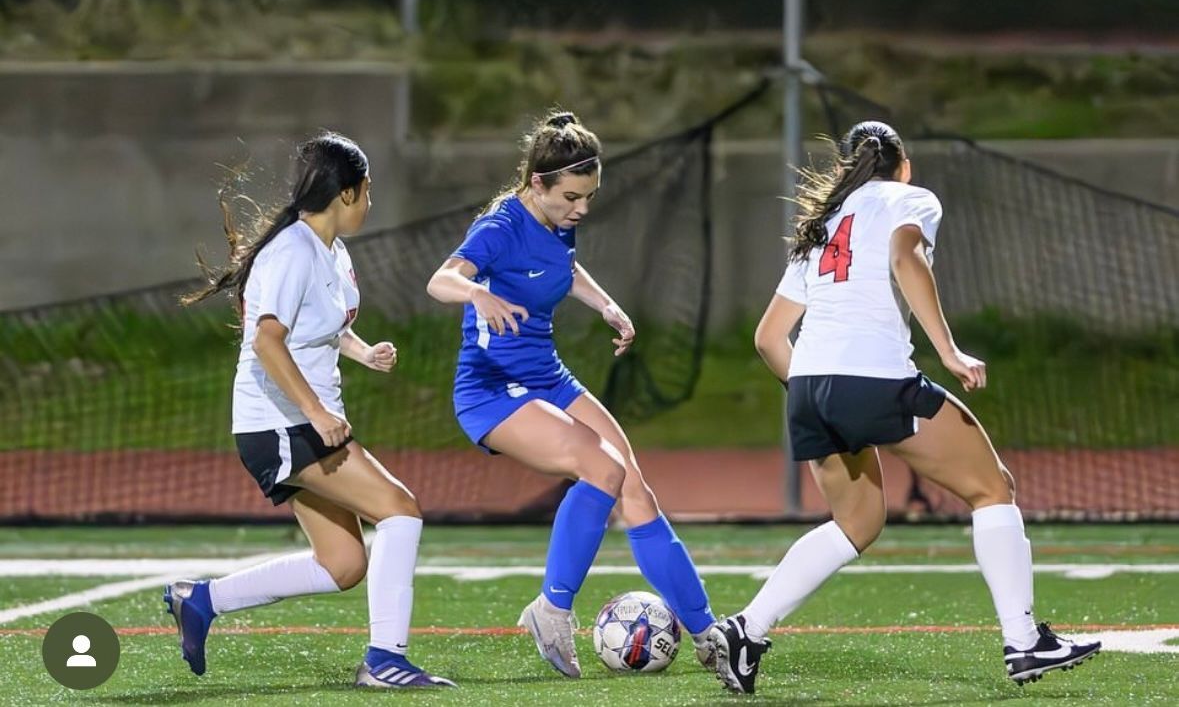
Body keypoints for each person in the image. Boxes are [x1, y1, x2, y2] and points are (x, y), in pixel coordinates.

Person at [710, 121, 1102, 695]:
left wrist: (821, 393)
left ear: (846, 167)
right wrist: (949, 351)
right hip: (872, 378)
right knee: (992, 488)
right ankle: (1024, 640)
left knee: (856, 524)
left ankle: (747, 630)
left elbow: (769, 338)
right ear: (904, 164)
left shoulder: (821, 227)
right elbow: (906, 257)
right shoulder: (910, 198)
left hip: (810, 387)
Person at [426, 111, 716, 678]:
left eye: (589, 195)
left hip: (548, 376)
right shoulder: (501, 226)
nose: (582, 207)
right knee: (602, 470)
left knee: (633, 484)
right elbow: (441, 279)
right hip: (491, 388)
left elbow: (564, 264)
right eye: (572, 196)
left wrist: (605, 305)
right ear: (538, 183)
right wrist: (476, 297)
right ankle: (552, 610)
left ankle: (706, 630)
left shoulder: (559, 220)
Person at [169, 132, 454, 689]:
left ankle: (200, 599)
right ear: (346, 194)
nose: (370, 203)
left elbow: (323, 325)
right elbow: (268, 341)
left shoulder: (331, 250)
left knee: (344, 564)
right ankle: (385, 661)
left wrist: (362, 351)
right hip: (282, 425)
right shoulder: (292, 251)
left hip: (300, 422)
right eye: (367, 192)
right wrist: (317, 413)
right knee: (401, 509)